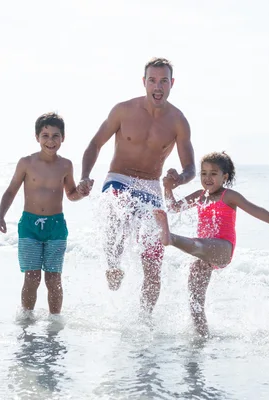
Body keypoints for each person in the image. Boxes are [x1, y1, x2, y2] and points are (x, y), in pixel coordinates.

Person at [77, 57, 195, 314]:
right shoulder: (123, 110)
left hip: (152, 187)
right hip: (119, 179)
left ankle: (144, 320)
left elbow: (191, 169)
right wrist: (85, 176)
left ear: (172, 83)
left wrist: (179, 178)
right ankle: (113, 263)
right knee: (119, 213)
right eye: (152, 80)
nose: (158, 86)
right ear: (144, 82)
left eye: (164, 80)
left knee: (153, 263)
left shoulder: (178, 121)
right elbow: (95, 144)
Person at [154, 151, 269, 336]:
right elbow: (174, 207)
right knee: (195, 301)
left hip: (222, 248)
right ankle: (202, 337)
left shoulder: (228, 195)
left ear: (224, 177)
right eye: (204, 173)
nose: (208, 178)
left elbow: (256, 210)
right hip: (204, 255)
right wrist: (167, 188)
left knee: (197, 245)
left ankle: (171, 238)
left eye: (213, 173)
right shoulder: (200, 196)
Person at [0, 112, 84, 317]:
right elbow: (11, 190)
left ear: (63, 138)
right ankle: (26, 319)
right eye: (45, 135)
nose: (50, 141)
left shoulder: (66, 165)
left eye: (55, 136)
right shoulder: (26, 163)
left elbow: (71, 194)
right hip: (29, 227)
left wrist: (82, 193)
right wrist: (0, 216)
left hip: (56, 227)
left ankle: (55, 323)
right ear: (37, 137)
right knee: (32, 277)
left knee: (53, 279)